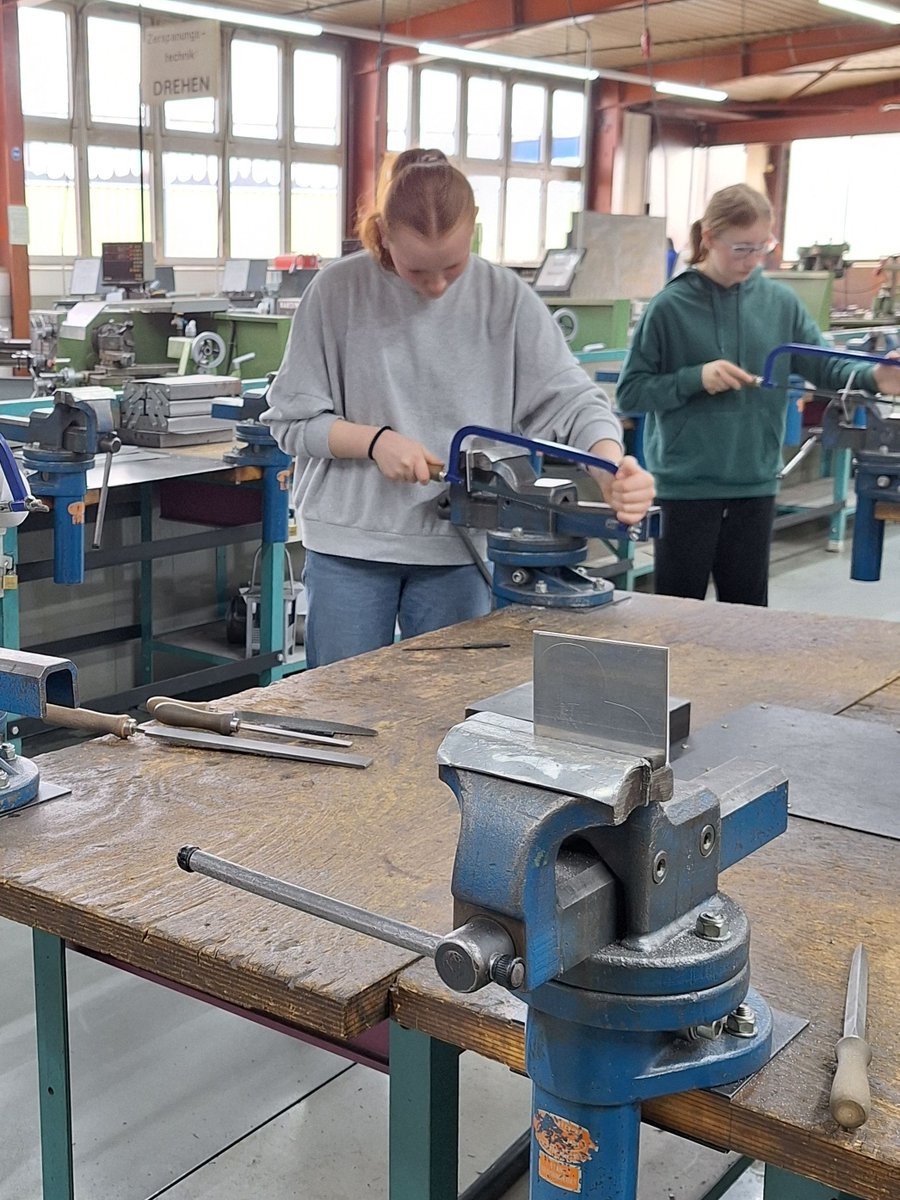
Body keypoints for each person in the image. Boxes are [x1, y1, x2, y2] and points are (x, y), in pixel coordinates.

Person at [263, 147, 655, 667]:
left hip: (459, 549)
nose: (438, 285)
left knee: (448, 715)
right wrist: (376, 442)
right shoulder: (337, 292)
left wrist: (608, 464)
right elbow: (292, 420)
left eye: (453, 264)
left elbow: (569, 399)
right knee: (341, 715)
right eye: (417, 269)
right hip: (351, 550)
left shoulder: (505, 296)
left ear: (474, 230)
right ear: (382, 234)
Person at [616, 183, 900, 607]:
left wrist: (876, 377)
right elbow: (631, 393)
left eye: (761, 247)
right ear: (709, 238)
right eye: (741, 249)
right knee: (675, 614)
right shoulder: (670, 307)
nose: (752, 260)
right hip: (687, 488)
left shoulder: (779, 303)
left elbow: (824, 364)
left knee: (749, 616)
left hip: (756, 482)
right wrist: (696, 378)